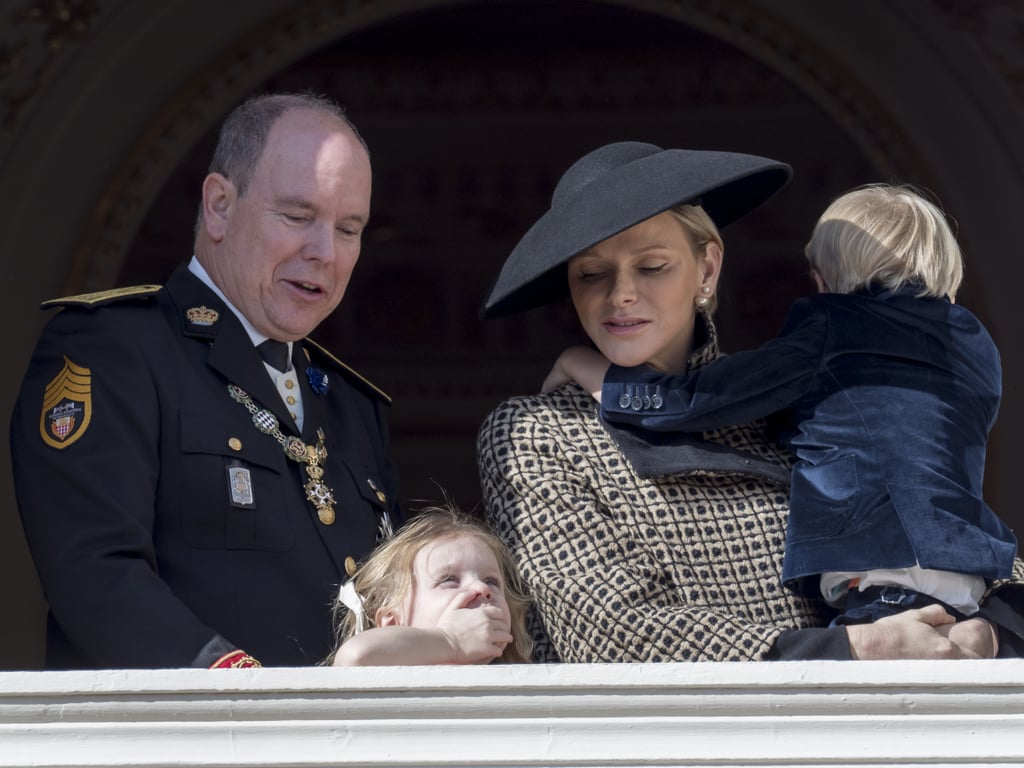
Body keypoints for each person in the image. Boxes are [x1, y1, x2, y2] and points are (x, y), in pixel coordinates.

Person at [477, 141, 1024, 663]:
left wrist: (992, 631)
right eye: (591, 273)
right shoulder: (538, 431)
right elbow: (609, 630)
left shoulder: (798, 401)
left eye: (652, 266)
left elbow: (939, 514)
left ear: (707, 270)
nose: (620, 293)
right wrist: (856, 651)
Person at [10, 92, 402, 669]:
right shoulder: (115, 347)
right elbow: (94, 572)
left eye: (349, 228)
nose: (325, 252)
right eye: (298, 216)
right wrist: (236, 691)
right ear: (219, 205)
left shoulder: (349, 402)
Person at [326, 502, 532, 665]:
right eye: (449, 579)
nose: (482, 588)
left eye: (492, 581)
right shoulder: (387, 673)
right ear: (391, 623)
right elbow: (356, 657)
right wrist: (450, 640)